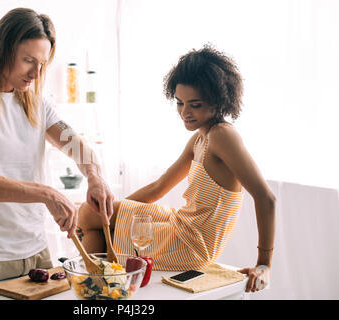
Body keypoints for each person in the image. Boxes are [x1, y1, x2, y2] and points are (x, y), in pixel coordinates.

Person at [78, 45, 276, 293]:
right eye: (180, 103)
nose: (185, 112)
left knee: (93, 222)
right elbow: (158, 187)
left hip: (192, 244)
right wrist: (109, 215)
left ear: (219, 100)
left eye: (195, 104)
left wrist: (264, 264)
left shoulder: (222, 135)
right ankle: (100, 287)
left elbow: (266, 198)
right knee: (90, 214)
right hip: (181, 222)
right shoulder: (200, 138)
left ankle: (96, 291)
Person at [0, 8, 114, 284]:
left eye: (42, 63)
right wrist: (46, 193)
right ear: (0, 48)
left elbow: (78, 146)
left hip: (38, 253)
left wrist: (95, 176)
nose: (36, 72)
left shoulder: (37, 103)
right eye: (28, 60)